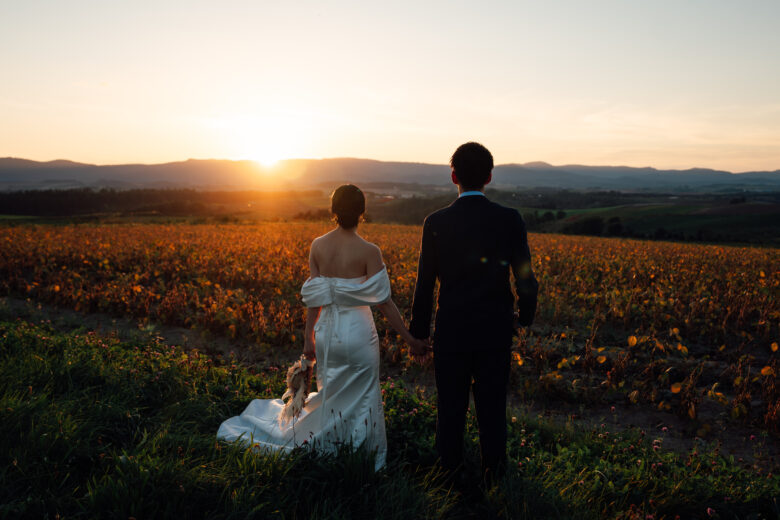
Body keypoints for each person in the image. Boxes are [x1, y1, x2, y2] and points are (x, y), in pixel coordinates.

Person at [217, 184, 424, 471]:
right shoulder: (369, 251)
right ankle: (364, 457)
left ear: (333, 211)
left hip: (327, 334)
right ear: (362, 213)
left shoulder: (318, 246)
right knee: (364, 395)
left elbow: (314, 300)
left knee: (331, 395)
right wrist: (411, 339)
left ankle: (327, 447)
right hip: (359, 334)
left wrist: (308, 342)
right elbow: (385, 303)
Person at [409, 142, 538, 484]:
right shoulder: (510, 220)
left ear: (454, 176)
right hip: (495, 331)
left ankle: (448, 479)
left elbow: (424, 286)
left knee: (450, 409)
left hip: (451, 332)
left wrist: (419, 334)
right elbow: (526, 280)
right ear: (489, 177)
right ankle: (495, 478)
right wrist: (523, 318)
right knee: (492, 409)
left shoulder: (435, 222)